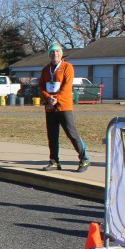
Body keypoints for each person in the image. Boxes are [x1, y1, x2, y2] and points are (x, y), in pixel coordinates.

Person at [38, 42, 90, 172]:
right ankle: (54, 161)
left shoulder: (67, 67)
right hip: (50, 107)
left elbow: (67, 86)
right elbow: (41, 86)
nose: (55, 54)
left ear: (61, 54)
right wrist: (48, 97)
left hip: (64, 106)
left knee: (72, 133)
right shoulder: (46, 69)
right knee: (52, 136)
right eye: (52, 52)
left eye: (57, 51)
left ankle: (84, 159)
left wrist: (56, 98)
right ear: (49, 54)